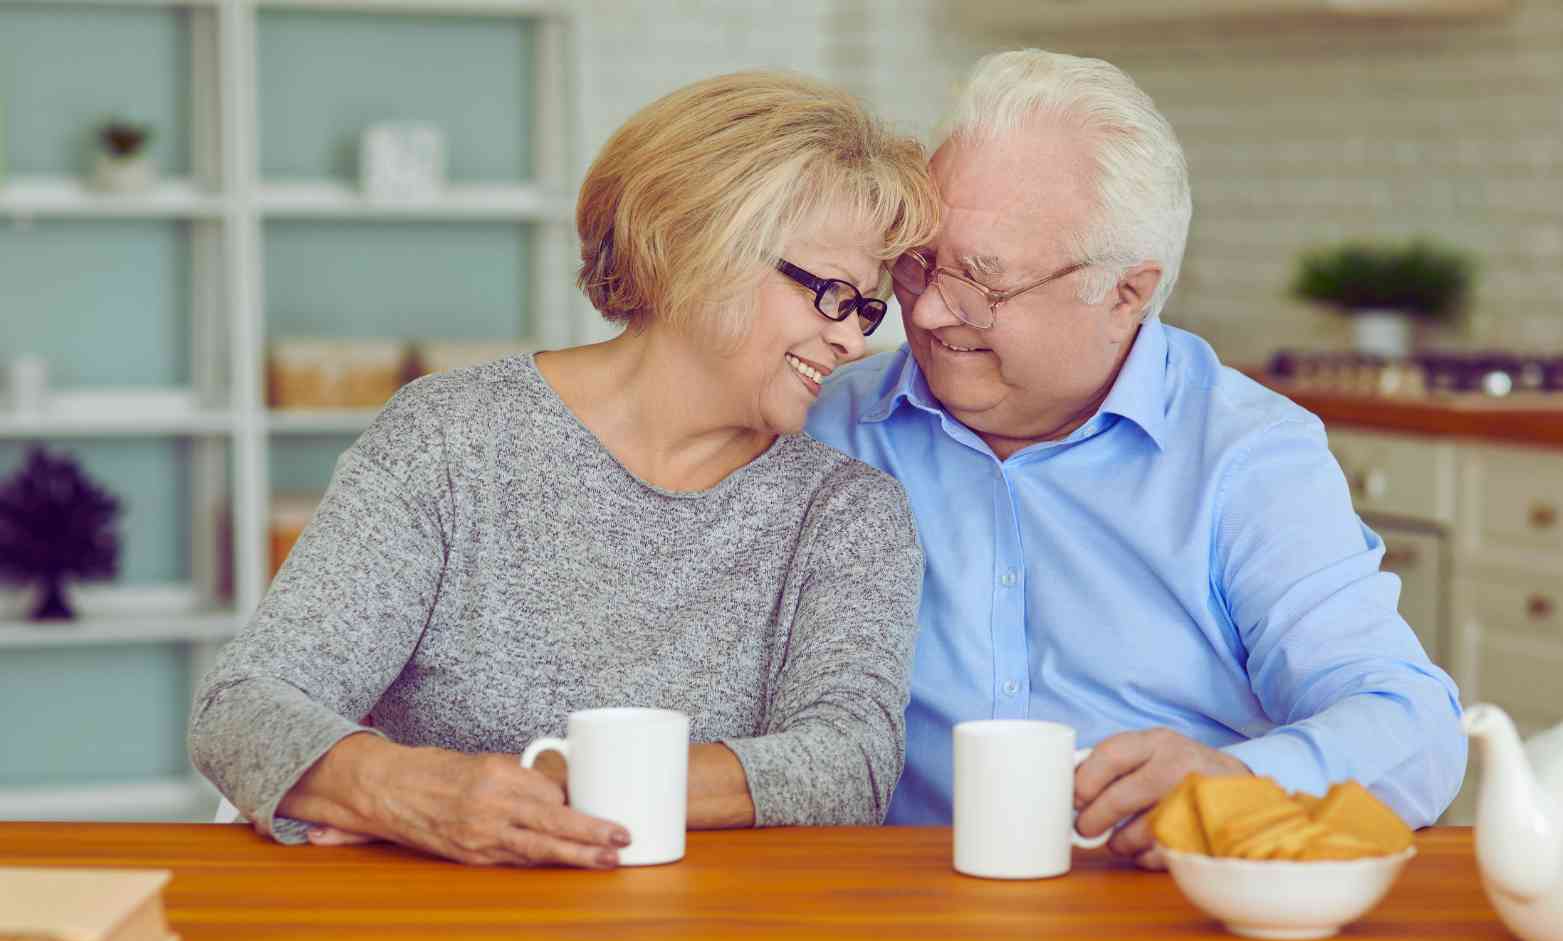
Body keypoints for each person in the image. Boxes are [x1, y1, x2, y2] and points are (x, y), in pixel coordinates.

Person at [189, 71, 940, 868]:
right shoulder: (451, 438)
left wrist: (574, 783)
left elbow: (849, 762)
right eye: (831, 293)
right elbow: (243, 711)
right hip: (431, 934)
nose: (853, 341)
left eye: (866, 308)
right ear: (699, 244)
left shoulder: (847, 509)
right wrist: (414, 790)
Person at [805, 49, 1466, 868]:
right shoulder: (827, 420)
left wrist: (1239, 779)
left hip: (1158, 920)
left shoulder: (1245, 455)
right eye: (918, 263)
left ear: (1126, 292)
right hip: (894, 910)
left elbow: (1413, 724)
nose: (931, 310)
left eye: (984, 281)